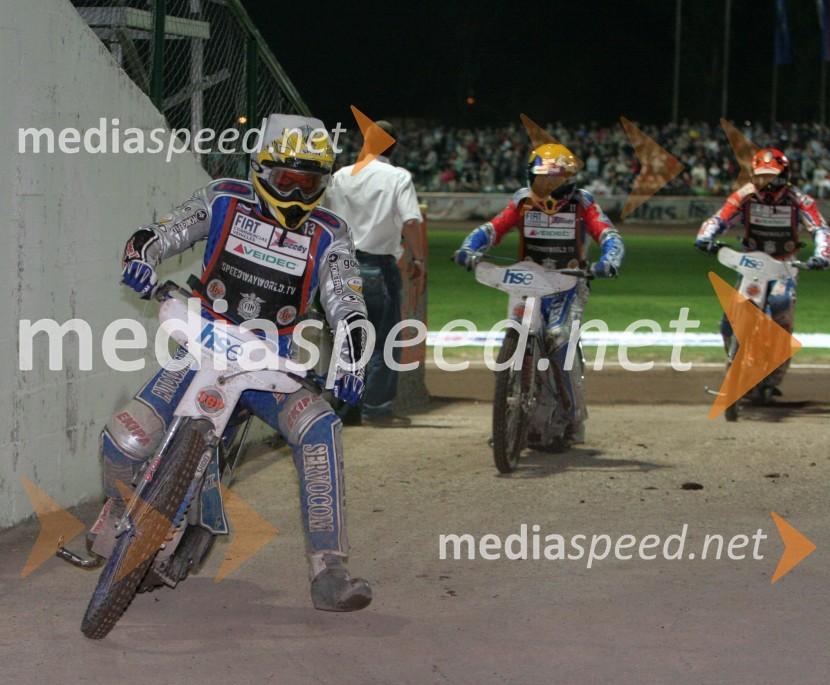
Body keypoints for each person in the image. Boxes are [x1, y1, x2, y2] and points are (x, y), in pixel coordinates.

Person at [87, 114, 372, 612]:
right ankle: (117, 506)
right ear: (261, 168)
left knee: (322, 427)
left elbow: (347, 302)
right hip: (202, 345)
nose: (298, 191)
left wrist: (351, 358)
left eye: (311, 181)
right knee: (125, 439)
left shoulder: (332, 233)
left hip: (269, 365)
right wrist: (142, 257)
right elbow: (164, 231)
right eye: (287, 178)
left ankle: (329, 569)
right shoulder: (222, 197)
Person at [454, 142, 624, 448]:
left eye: (556, 180)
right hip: (526, 279)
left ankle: (573, 413)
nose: (548, 187)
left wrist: (609, 261)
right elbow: (492, 229)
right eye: (542, 178)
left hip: (568, 282)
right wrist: (469, 248)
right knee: (514, 333)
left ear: (570, 180)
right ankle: (507, 412)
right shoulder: (521, 201)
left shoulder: (584, 203)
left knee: (559, 337)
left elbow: (608, 235)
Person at [695, 147, 830, 396]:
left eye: (773, 176)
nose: (767, 182)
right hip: (751, 264)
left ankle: (771, 380)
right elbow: (720, 218)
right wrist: (705, 236)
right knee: (728, 322)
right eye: (762, 176)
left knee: (780, 307)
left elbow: (820, 229)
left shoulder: (800, 200)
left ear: (785, 175)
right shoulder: (744, 196)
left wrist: (822, 256)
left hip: (784, 265)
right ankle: (736, 371)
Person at [323, 120, 426, 427]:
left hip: (340, 264)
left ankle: (348, 409)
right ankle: (378, 408)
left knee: (348, 339)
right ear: (393, 146)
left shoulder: (341, 176)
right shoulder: (397, 177)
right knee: (383, 341)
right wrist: (418, 259)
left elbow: (327, 219)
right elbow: (410, 221)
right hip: (377, 266)